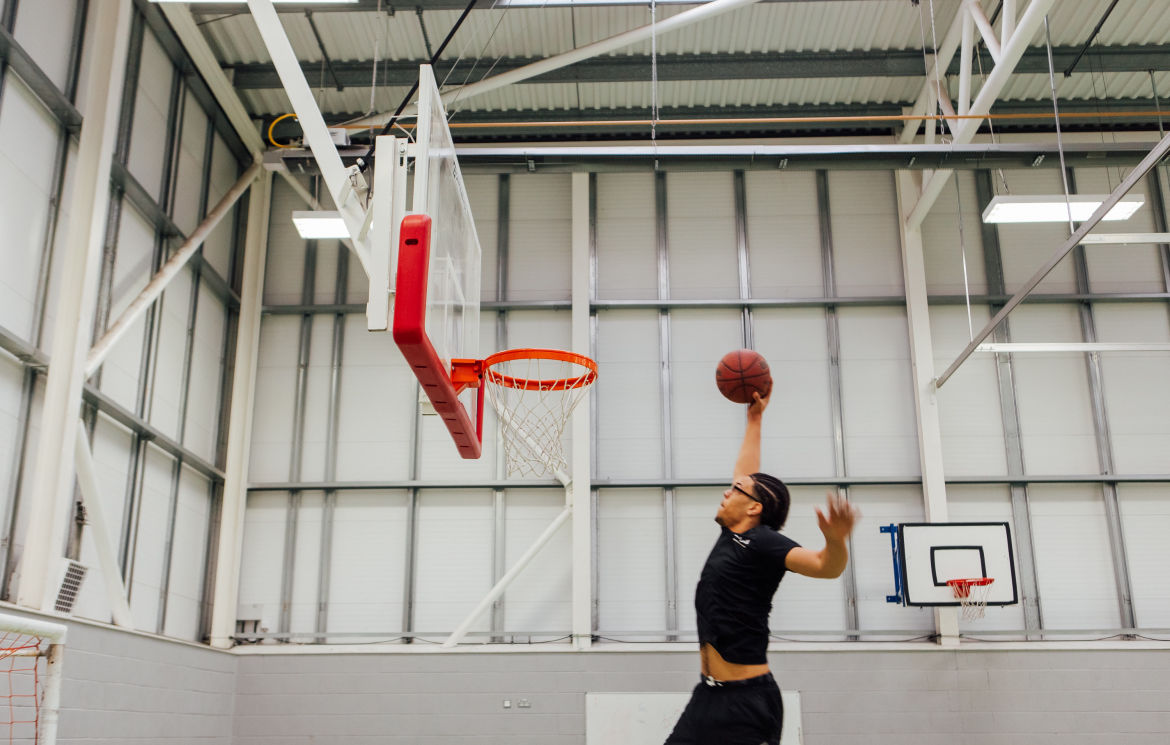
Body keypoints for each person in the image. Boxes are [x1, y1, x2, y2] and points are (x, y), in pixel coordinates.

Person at [664, 391, 859, 745]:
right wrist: (755, 419)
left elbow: (823, 567)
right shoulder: (731, 534)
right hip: (708, 696)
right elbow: (746, 472)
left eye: (735, 490)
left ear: (754, 508)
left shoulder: (764, 542)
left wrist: (835, 541)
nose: (726, 492)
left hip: (746, 702)